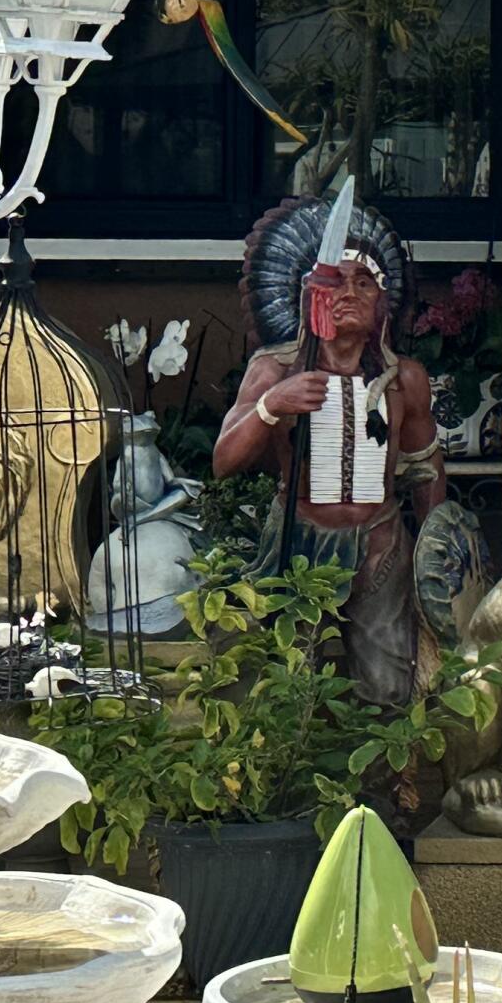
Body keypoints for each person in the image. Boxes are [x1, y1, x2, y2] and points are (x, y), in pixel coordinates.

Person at [212, 199, 441, 707]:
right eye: (336, 281)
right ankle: (292, 783)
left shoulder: (405, 380)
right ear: (310, 295)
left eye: (365, 282)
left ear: (384, 300)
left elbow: (426, 471)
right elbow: (224, 461)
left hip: (380, 545)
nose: (350, 294)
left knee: (386, 689)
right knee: (284, 683)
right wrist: (273, 406)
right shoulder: (274, 370)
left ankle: (377, 787)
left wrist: (434, 559)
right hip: (297, 544)